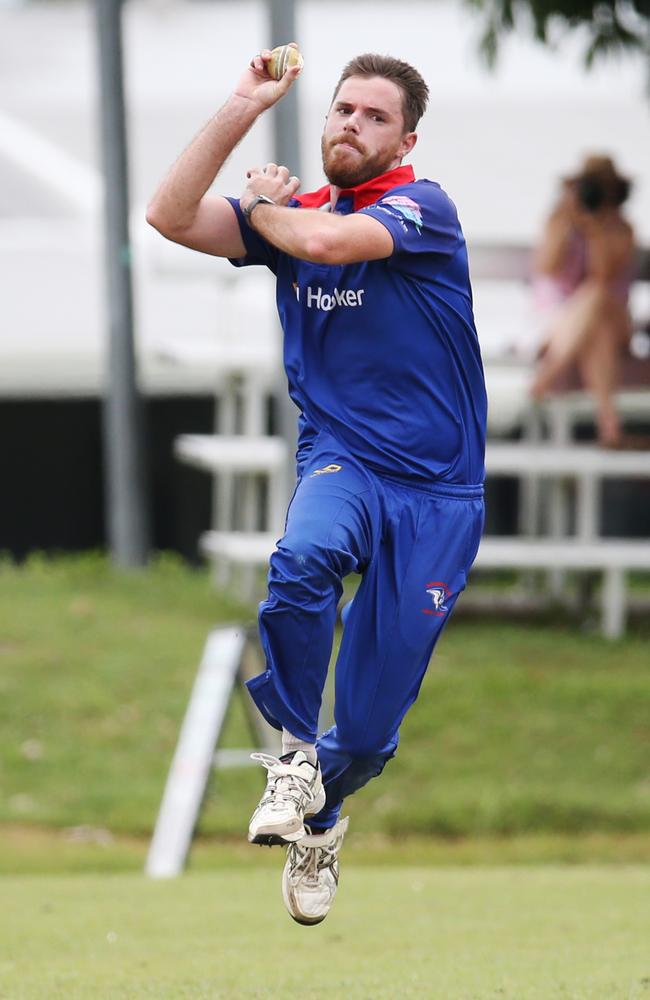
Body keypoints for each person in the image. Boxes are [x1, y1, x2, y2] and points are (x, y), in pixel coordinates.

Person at [147, 46, 486, 925]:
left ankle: (323, 815)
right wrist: (240, 105)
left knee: (370, 735)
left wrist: (262, 204)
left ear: (405, 137)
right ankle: (295, 754)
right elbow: (167, 214)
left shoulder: (422, 207)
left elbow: (328, 240)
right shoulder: (287, 211)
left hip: (439, 496)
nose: (351, 125)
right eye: (343, 109)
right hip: (342, 458)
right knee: (301, 557)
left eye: (375, 116)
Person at [530, 154, 636, 447]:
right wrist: (568, 219)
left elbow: (603, 275)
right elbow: (547, 266)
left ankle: (546, 377)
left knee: (597, 294)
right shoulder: (560, 221)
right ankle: (610, 424)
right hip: (567, 325)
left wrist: (595, 229)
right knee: (595, 328)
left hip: (612, 320)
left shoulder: (621, 229)